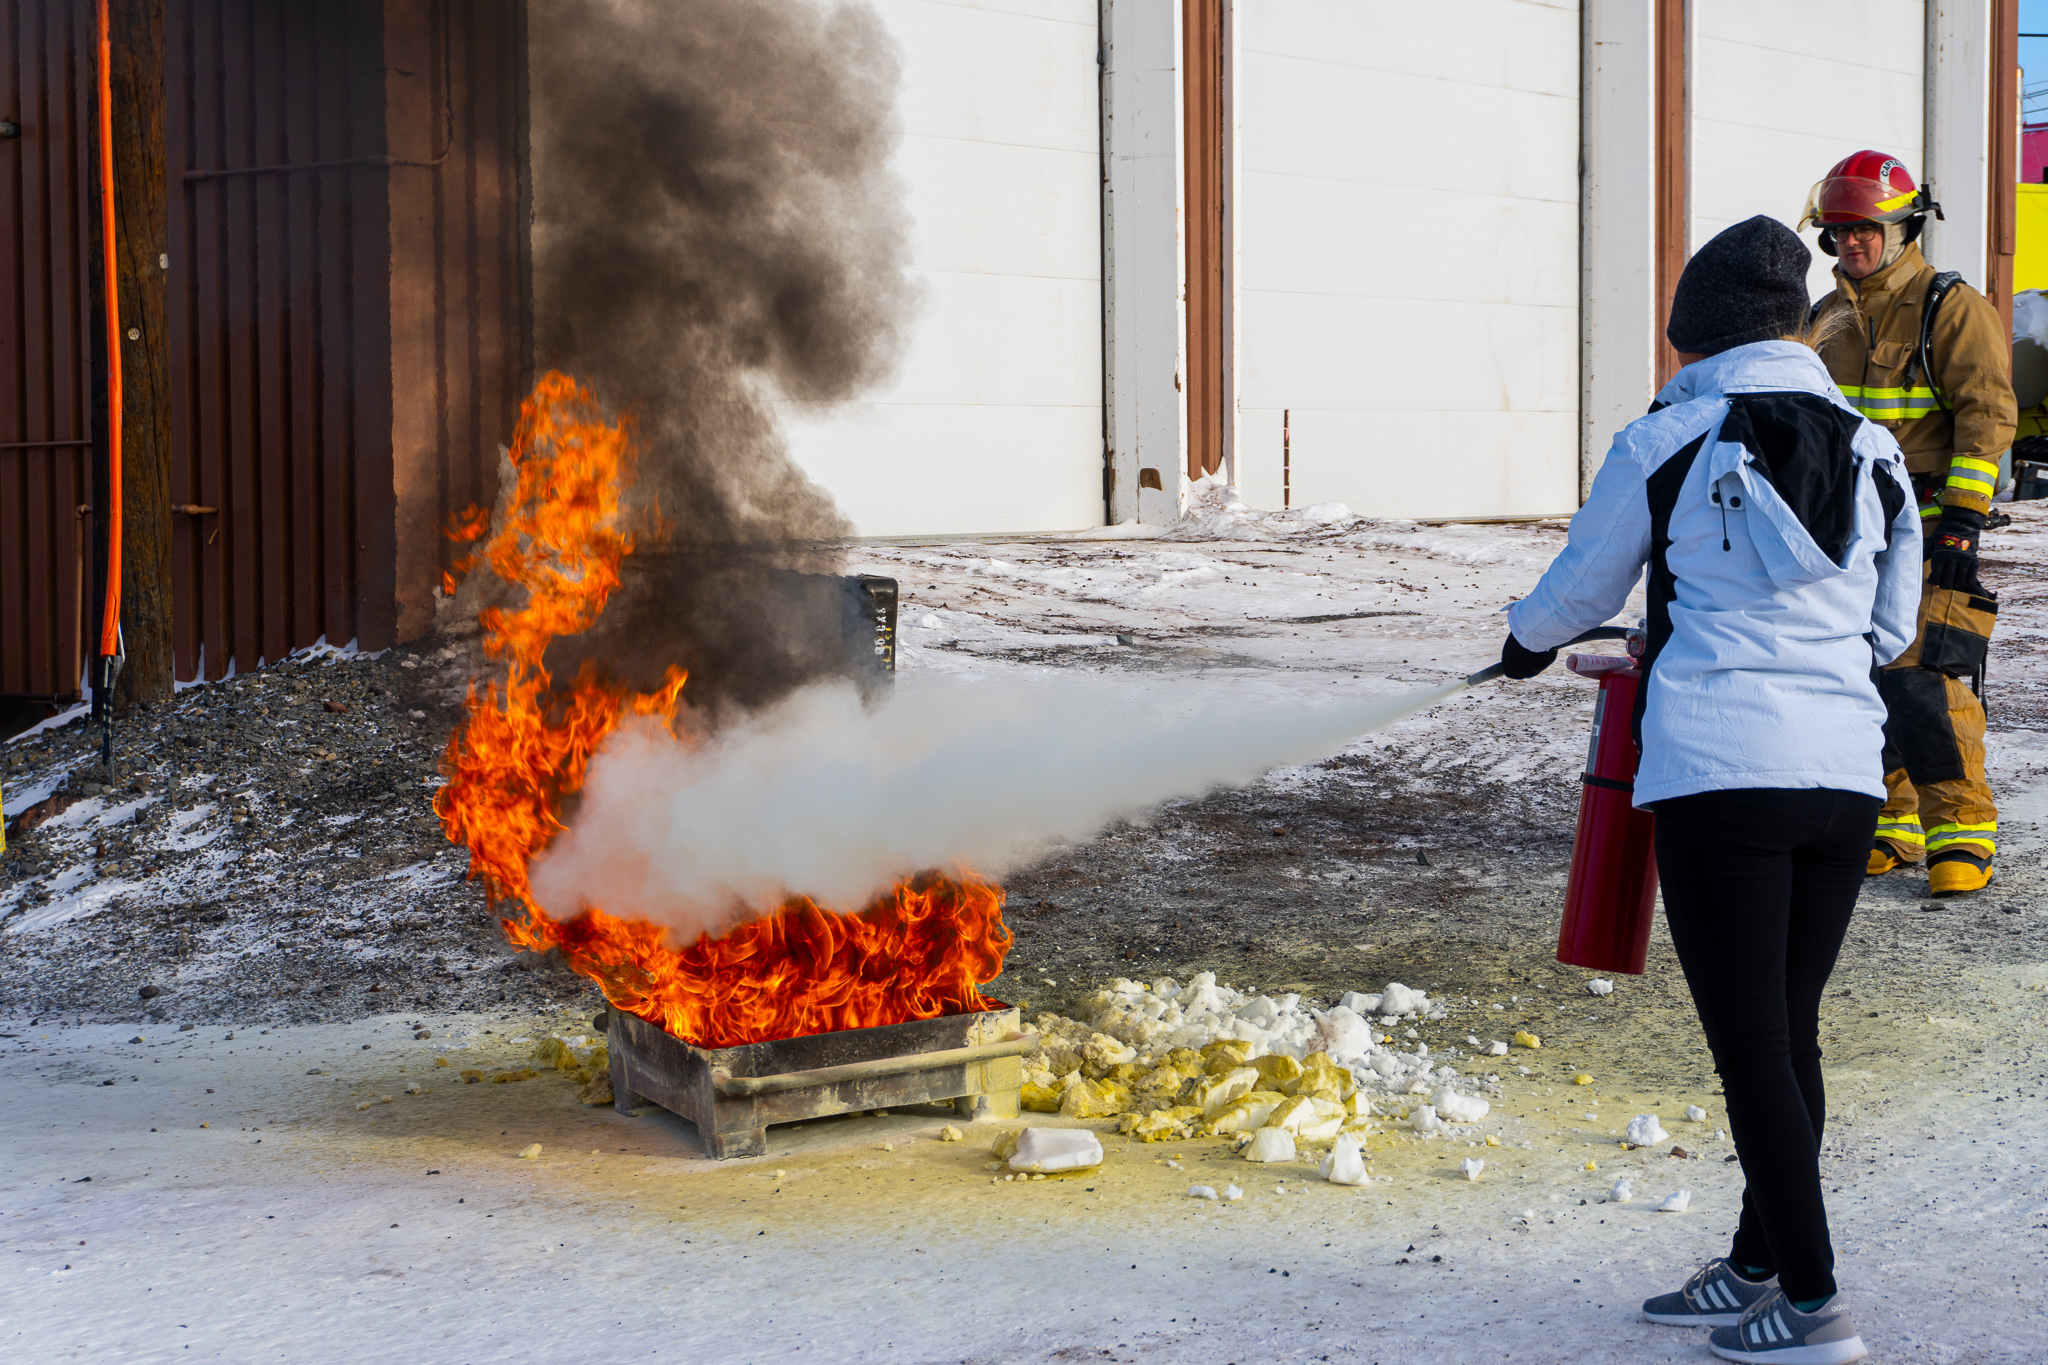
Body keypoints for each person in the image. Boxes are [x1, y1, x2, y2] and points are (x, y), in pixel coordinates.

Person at [1499, 216, 1919, 1365]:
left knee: (1748, 1046)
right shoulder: (1871, 450)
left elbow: (1578, 584)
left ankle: (1815, 1301)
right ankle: (1756, 1264)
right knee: (1784, 1033)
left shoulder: (1667, 436)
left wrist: (1527, 644)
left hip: (1719, 778)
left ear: (1697, 334)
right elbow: (1886, 628)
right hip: (1840, 780)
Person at [1799, 150, 2014, 896]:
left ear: (1905, 226)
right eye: (1838, 232)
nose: (1851, 243)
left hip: (1927, 530)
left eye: (1867, 228)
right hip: (1848, 535)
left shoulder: (1948, 305)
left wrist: (1963, 519)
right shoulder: (1824, 318)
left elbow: (1987, 413)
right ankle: (1895, 820)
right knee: (1860, 674)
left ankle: (1963, 829)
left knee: (1927, 676)